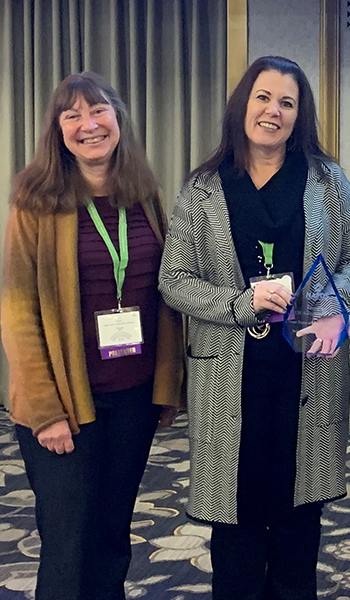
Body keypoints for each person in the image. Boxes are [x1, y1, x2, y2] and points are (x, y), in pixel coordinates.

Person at [158, 55, 350, 600]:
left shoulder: (328, 181)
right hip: (230, 378)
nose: (272, 111)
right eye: (263, 97)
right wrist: (239, 303)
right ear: (242, 105)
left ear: (300, 117)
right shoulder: (203, 187)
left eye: (286, 102)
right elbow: (174, 280)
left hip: (309, 372)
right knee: (234, 526)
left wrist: (327, 301)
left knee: (300, 523)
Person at [0, 72, 184, 600]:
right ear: (58, 132)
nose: (88, 125)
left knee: (111, 536)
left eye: (98, 111)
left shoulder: (143, 194)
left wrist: (165, 387)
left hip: (132, 395)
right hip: (64, 402)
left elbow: (163, 292)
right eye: (72, 115)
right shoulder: (36, 201)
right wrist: (45, 409)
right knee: (66, 543)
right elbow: (18, 311)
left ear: (118, 119)